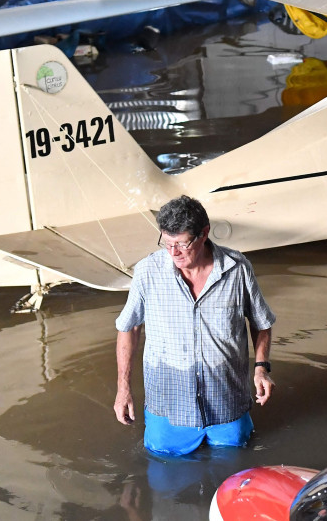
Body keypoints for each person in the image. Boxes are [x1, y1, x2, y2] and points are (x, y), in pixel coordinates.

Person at [114, 195, 276, 456]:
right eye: (167, 243)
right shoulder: (147, 272)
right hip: (168, 406)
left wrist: (261, 369)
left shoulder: (238, 269)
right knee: (165, 481)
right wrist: (123, 389)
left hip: (227, 402)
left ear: (204, 234)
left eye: (181, 244)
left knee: (234, 467)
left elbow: (261, 322)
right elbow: (129, 328)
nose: (173, 252)